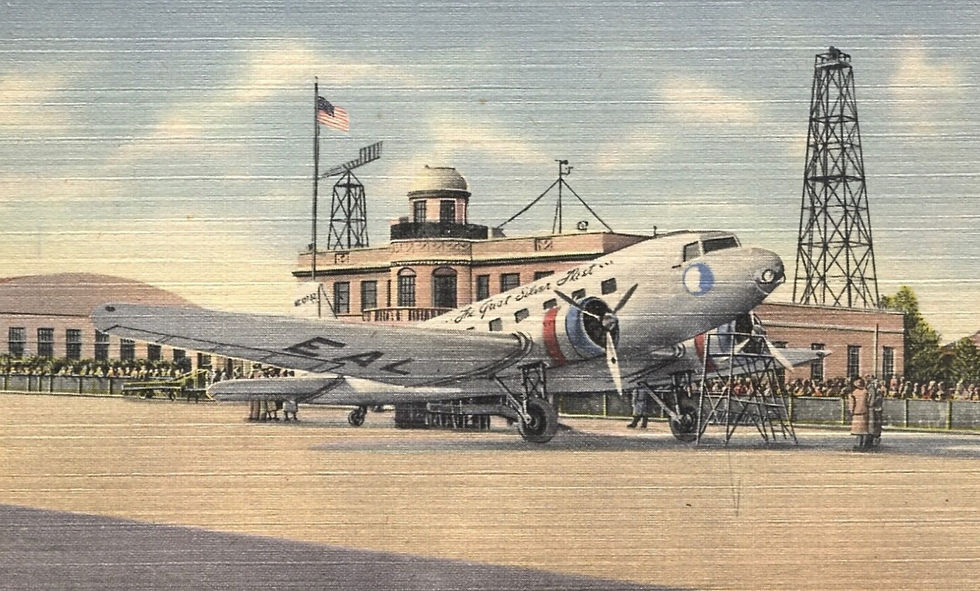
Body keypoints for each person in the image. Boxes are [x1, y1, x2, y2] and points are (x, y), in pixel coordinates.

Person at [848, 377, 871, 450]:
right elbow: (869, 401)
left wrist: (851, 411)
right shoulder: (866, 392)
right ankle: (864, 444)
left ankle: (860, 444)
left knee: (858, 431)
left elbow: (852, 404)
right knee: (864, 430)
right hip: (865, 411)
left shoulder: (853, 393)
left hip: (856, 412)